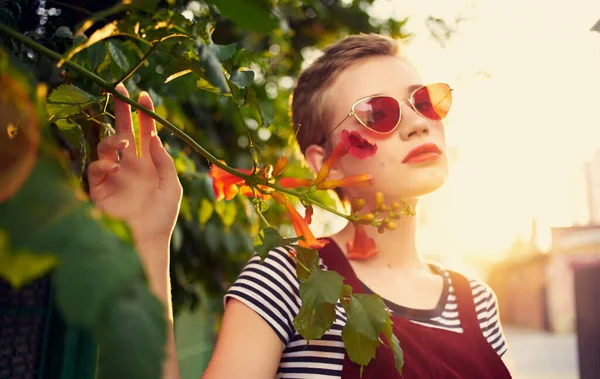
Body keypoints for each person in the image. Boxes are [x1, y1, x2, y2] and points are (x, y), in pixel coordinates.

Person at [90, 34, 511, 378]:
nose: (419, 122)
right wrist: (145, 240)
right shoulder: (290, 275)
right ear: (321, 163)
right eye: (377, 113)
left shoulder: (477, 302)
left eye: (424, 101)